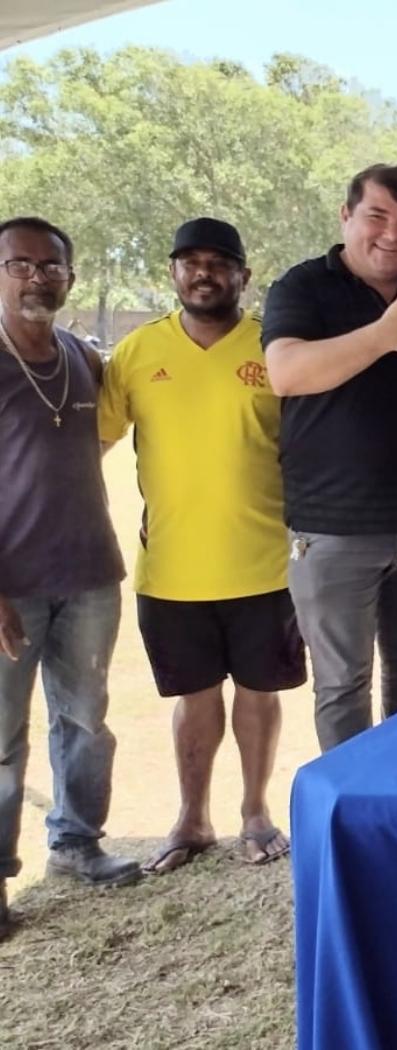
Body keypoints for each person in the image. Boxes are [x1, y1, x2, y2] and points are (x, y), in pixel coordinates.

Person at [99, 218, 305, 873]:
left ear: (243, 275)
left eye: (219, 262)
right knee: (194, 698)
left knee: (257, 692)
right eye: (190, 262)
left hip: (264, 565)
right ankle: (191, 819)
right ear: (173, 273)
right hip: (171, 571)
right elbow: (88, 448)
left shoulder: (274, 347)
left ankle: (254, 811)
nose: (203, 272)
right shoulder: (136, 353)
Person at [263, 164, 397, 751]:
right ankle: (351, 815)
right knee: (342, 685)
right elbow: (286, 373)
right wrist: (385, 335)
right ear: (346, 216)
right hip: (331, 532)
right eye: (376, 216)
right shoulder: (302, 287)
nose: (392, 234)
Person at [0, 216, 140, 940]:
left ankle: (77, 843)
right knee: (1, 739)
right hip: (11, 585)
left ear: (69, 277)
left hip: (89, 573)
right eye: (19, 264)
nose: (35, 276)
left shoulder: (84, 358)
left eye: (49, 265)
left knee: (85, 720)